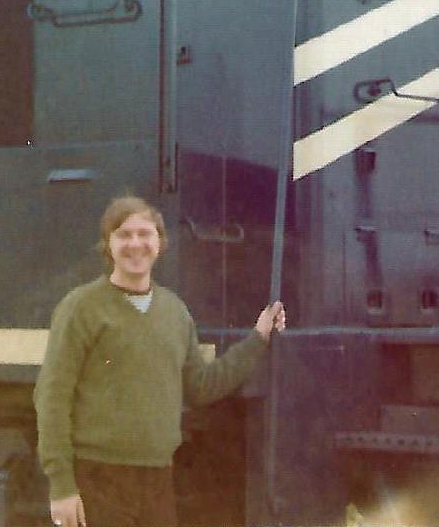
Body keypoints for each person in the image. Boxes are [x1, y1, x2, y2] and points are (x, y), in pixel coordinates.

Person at [34, 196, 286, 527]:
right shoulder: (81, 308)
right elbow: (52, 397)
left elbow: (201, 387)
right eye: (124, 235)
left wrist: (258, 339)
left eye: (145, 234)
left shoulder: (175, 312)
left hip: (157, 480)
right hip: (98, 478)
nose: (135, 244)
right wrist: (62, 487)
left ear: (159, 243)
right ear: (108, 245)